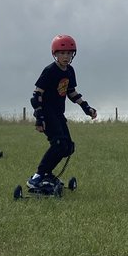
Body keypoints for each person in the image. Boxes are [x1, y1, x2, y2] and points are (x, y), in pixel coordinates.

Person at [27, 34, 97, 191]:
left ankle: (47, 174)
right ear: (55, 54)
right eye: (62, 53)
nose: (66, 56)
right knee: (58, 144)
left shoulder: (70, 71)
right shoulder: (50, 71)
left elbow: (71, 92)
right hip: (46, 112)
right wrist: (39, 117)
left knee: (67, 147)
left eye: (69, 53)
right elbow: (37, 94)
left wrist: (86, 107)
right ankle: (37, 177)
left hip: (59, 114)